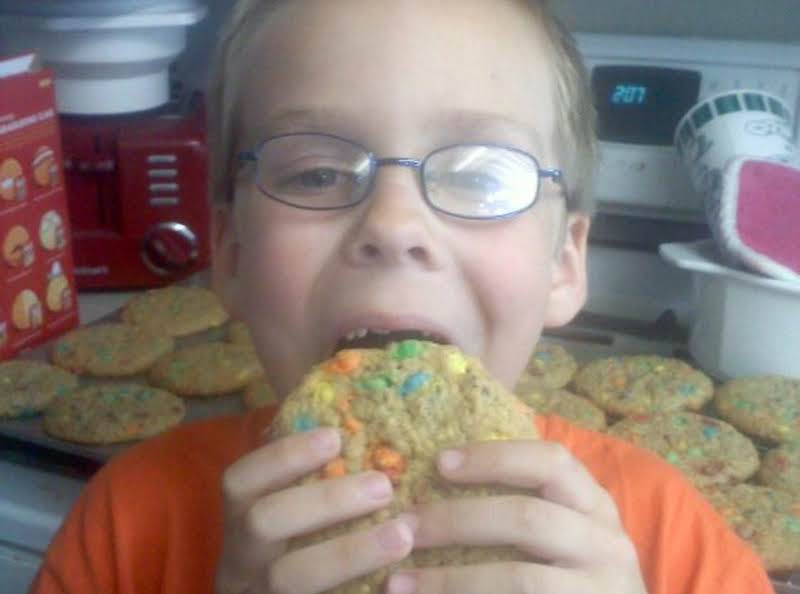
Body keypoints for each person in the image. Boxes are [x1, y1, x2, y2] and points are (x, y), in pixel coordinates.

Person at [30, 0, 773, 593]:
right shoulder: (128, 525)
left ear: (565, 262)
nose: (393, 225)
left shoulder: (670, 540)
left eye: (483, 175)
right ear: (229, 250)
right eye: (315, 172)